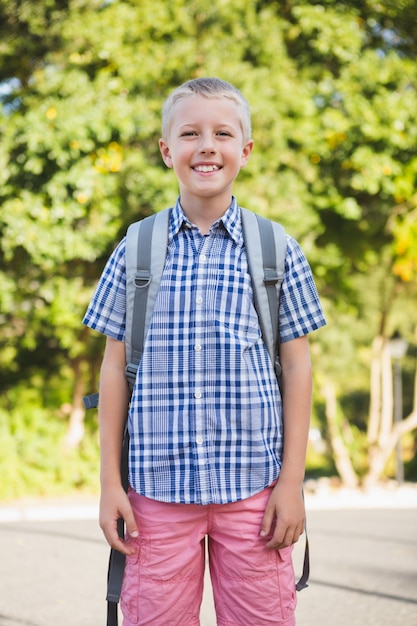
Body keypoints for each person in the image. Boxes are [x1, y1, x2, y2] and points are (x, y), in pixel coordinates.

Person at [83, 77, 326, 626]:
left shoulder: (276, 249)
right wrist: (108, 485)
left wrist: (292, 483)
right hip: (155, 498)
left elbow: (297, 366)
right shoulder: (136, 249)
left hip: (256, 497)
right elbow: (115, 368)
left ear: (246, 149)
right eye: (190, 133)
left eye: (223, 132)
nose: (207, 146)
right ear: (168, 150)